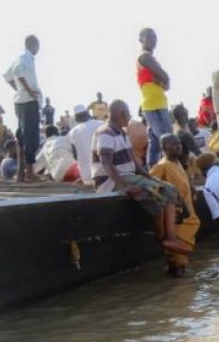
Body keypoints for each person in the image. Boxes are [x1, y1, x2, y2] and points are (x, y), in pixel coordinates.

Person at [91, 100, 191, 256]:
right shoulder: (105, 132)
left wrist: (153, 179)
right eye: (128, 114)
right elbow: (106, 164)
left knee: (167, 189)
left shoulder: (122, 133)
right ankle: (162, 239)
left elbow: (135, 164)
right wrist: (125, 186)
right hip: (112, 181)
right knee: (155, 194)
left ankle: (169, 237)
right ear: (122, 114)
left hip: (129, 176)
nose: (130, 117)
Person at [150, 134, 200, 277]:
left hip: (189, 218)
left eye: (178, 143)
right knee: (179, 259)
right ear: (163, 147)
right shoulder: (162, 166)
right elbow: (152, 191)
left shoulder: (178, 164)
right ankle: (181, 294)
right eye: (172, 144)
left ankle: (178, 294)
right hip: (177, 220)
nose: (178, 147)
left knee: (180, 260)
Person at [3, 35, 42, 182]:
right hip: (28, 102)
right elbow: (19, 73)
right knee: (31, 138)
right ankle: (29, 173)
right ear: (34, 45)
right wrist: (29, 92)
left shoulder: (20, 58)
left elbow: (7, 76)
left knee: (21, 138)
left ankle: (21, 173)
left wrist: (18, 90)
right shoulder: (26, 57)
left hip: (20, 102)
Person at [137, 28, 172, 167]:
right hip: (153, 104)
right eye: (148, 37)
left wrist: (163, 81)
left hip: (157, 102)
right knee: (166, 138)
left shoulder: (149, 58)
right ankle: (170, 169)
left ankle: (151, 171)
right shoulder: (145, 57)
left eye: (154, 38)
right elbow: (165, 77)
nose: (152, 41)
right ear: (141, 40)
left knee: (155, 143)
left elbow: (166, 84)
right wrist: (162, 80)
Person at [68, 104, 105, 185]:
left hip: (86, 177)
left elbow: (74, 155)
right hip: (105, 172)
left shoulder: (72, 132)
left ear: (76, 118)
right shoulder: (101, 124)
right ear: (88, 114)